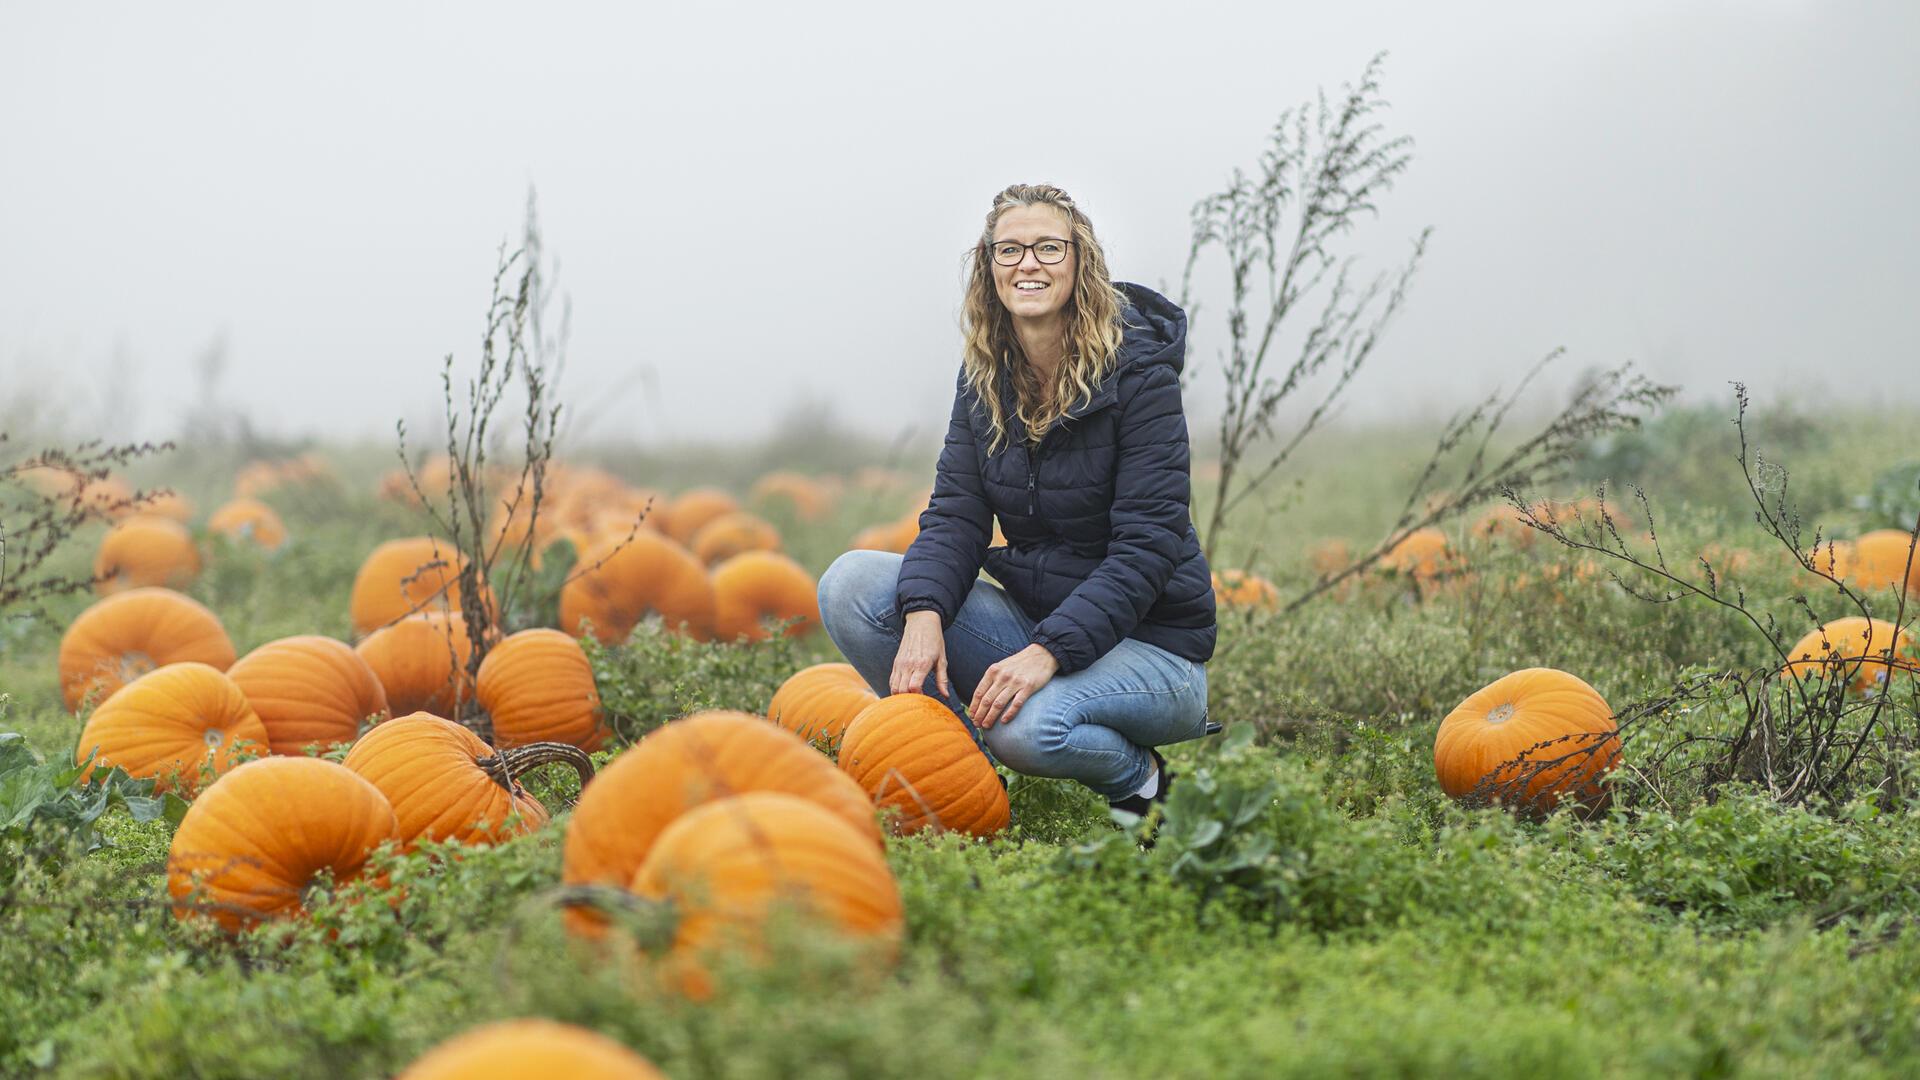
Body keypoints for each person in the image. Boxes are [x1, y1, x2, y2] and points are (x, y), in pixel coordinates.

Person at [817, 182, 1216, 817]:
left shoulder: (1141, 379)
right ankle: (965, 785)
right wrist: (923, 612)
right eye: (1009, 251)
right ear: (989, 268)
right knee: (852, 585)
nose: (1027, 264)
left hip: (1155, 651)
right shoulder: (984, 378)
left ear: (1080, 263)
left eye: (1048, 248)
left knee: (1028, 730)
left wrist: (1046, 654)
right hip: (1042, 621)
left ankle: (1145, 787)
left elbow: (1147, 548)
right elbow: (955, 514)